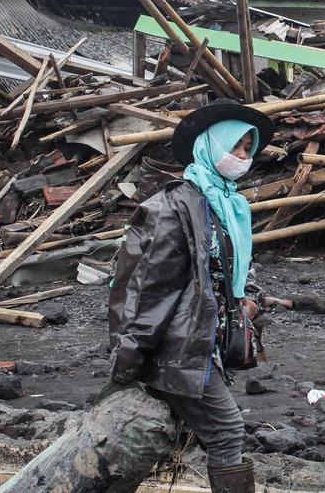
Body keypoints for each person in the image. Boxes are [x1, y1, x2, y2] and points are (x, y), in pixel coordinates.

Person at [106, 98, 275, 493]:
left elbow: (221, 273)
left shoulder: (225, 205)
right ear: (210, 146)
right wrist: (129, 359)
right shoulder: (172, 207)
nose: (242, 156)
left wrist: (246, 298)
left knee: (182, 434)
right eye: (235, 146)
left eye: (248, 149)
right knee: (227, 430)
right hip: (175, 346)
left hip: (202, 343)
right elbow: (148, 289)